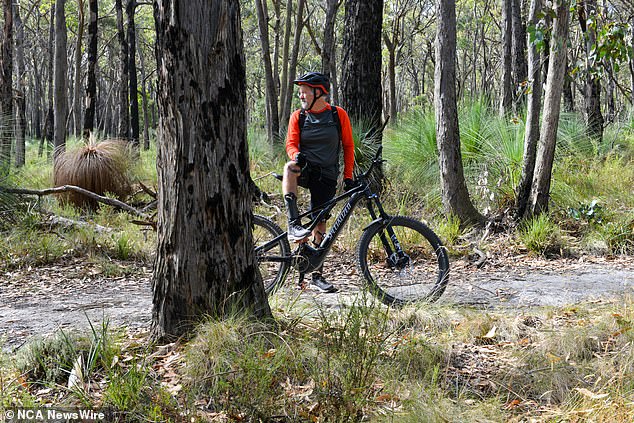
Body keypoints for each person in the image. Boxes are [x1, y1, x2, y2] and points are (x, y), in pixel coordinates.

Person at [283, 71, 355, 293]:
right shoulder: (299, 116)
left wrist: (348, 176)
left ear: (319, 93)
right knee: (289, 168)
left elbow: (348, 147)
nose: (301, 96)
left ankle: (316, 274)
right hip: (305, 168)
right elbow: (290, 143)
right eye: (300, 93)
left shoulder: (337, 115)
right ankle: (293, 223)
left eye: (304, 92)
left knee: (319, 221)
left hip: (327, 174)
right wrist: (296, 155)